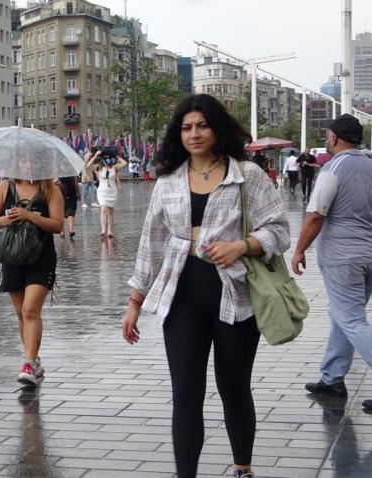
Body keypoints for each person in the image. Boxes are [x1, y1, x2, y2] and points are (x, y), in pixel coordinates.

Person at [123, 94, 289, 478]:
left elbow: (279, 231)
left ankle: (242, 467)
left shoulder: (247, 175)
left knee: (233, 387)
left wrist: (242, 245)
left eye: (202, 125)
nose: (194, 134)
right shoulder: (168, 182)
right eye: (186, 127)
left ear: (217, 128)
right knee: (185, 394)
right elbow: (152, 244)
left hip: (237, 297)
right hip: (182, 298)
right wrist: (135, 301)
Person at [291, 114, 372, 413]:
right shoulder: (370, 164)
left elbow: (315, 215)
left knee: (351, 319)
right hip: (368, 254)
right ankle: (332, 378)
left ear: (334, 137)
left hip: (342, 257)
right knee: (344, 314)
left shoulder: (332, 168)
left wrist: (299, 250)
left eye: (328, 135)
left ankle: (332, 377)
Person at [0, 176, 64, 386]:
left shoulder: (49, 189)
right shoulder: (5, 187)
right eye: (21, 159)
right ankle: (34, 362)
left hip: (41, 258)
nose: (25, 164)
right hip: (13, 256)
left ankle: (28, 363)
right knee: (21, 312)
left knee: (30, 310)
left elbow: (58, 225)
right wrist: (5, 220)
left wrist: (29, 216)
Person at [87, 149, 126, 238]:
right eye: (106, 158)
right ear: (102, 160)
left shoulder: (114, 167)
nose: (107, 160)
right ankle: (103, 229)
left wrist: (116, 156)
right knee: (103, 209)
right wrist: (96, 156)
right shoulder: (99, 168)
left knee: (111, 212)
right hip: (102, 192)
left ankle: (110, 230)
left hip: (112, 191)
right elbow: (88, 165)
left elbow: (124, 163)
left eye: (109, 158)